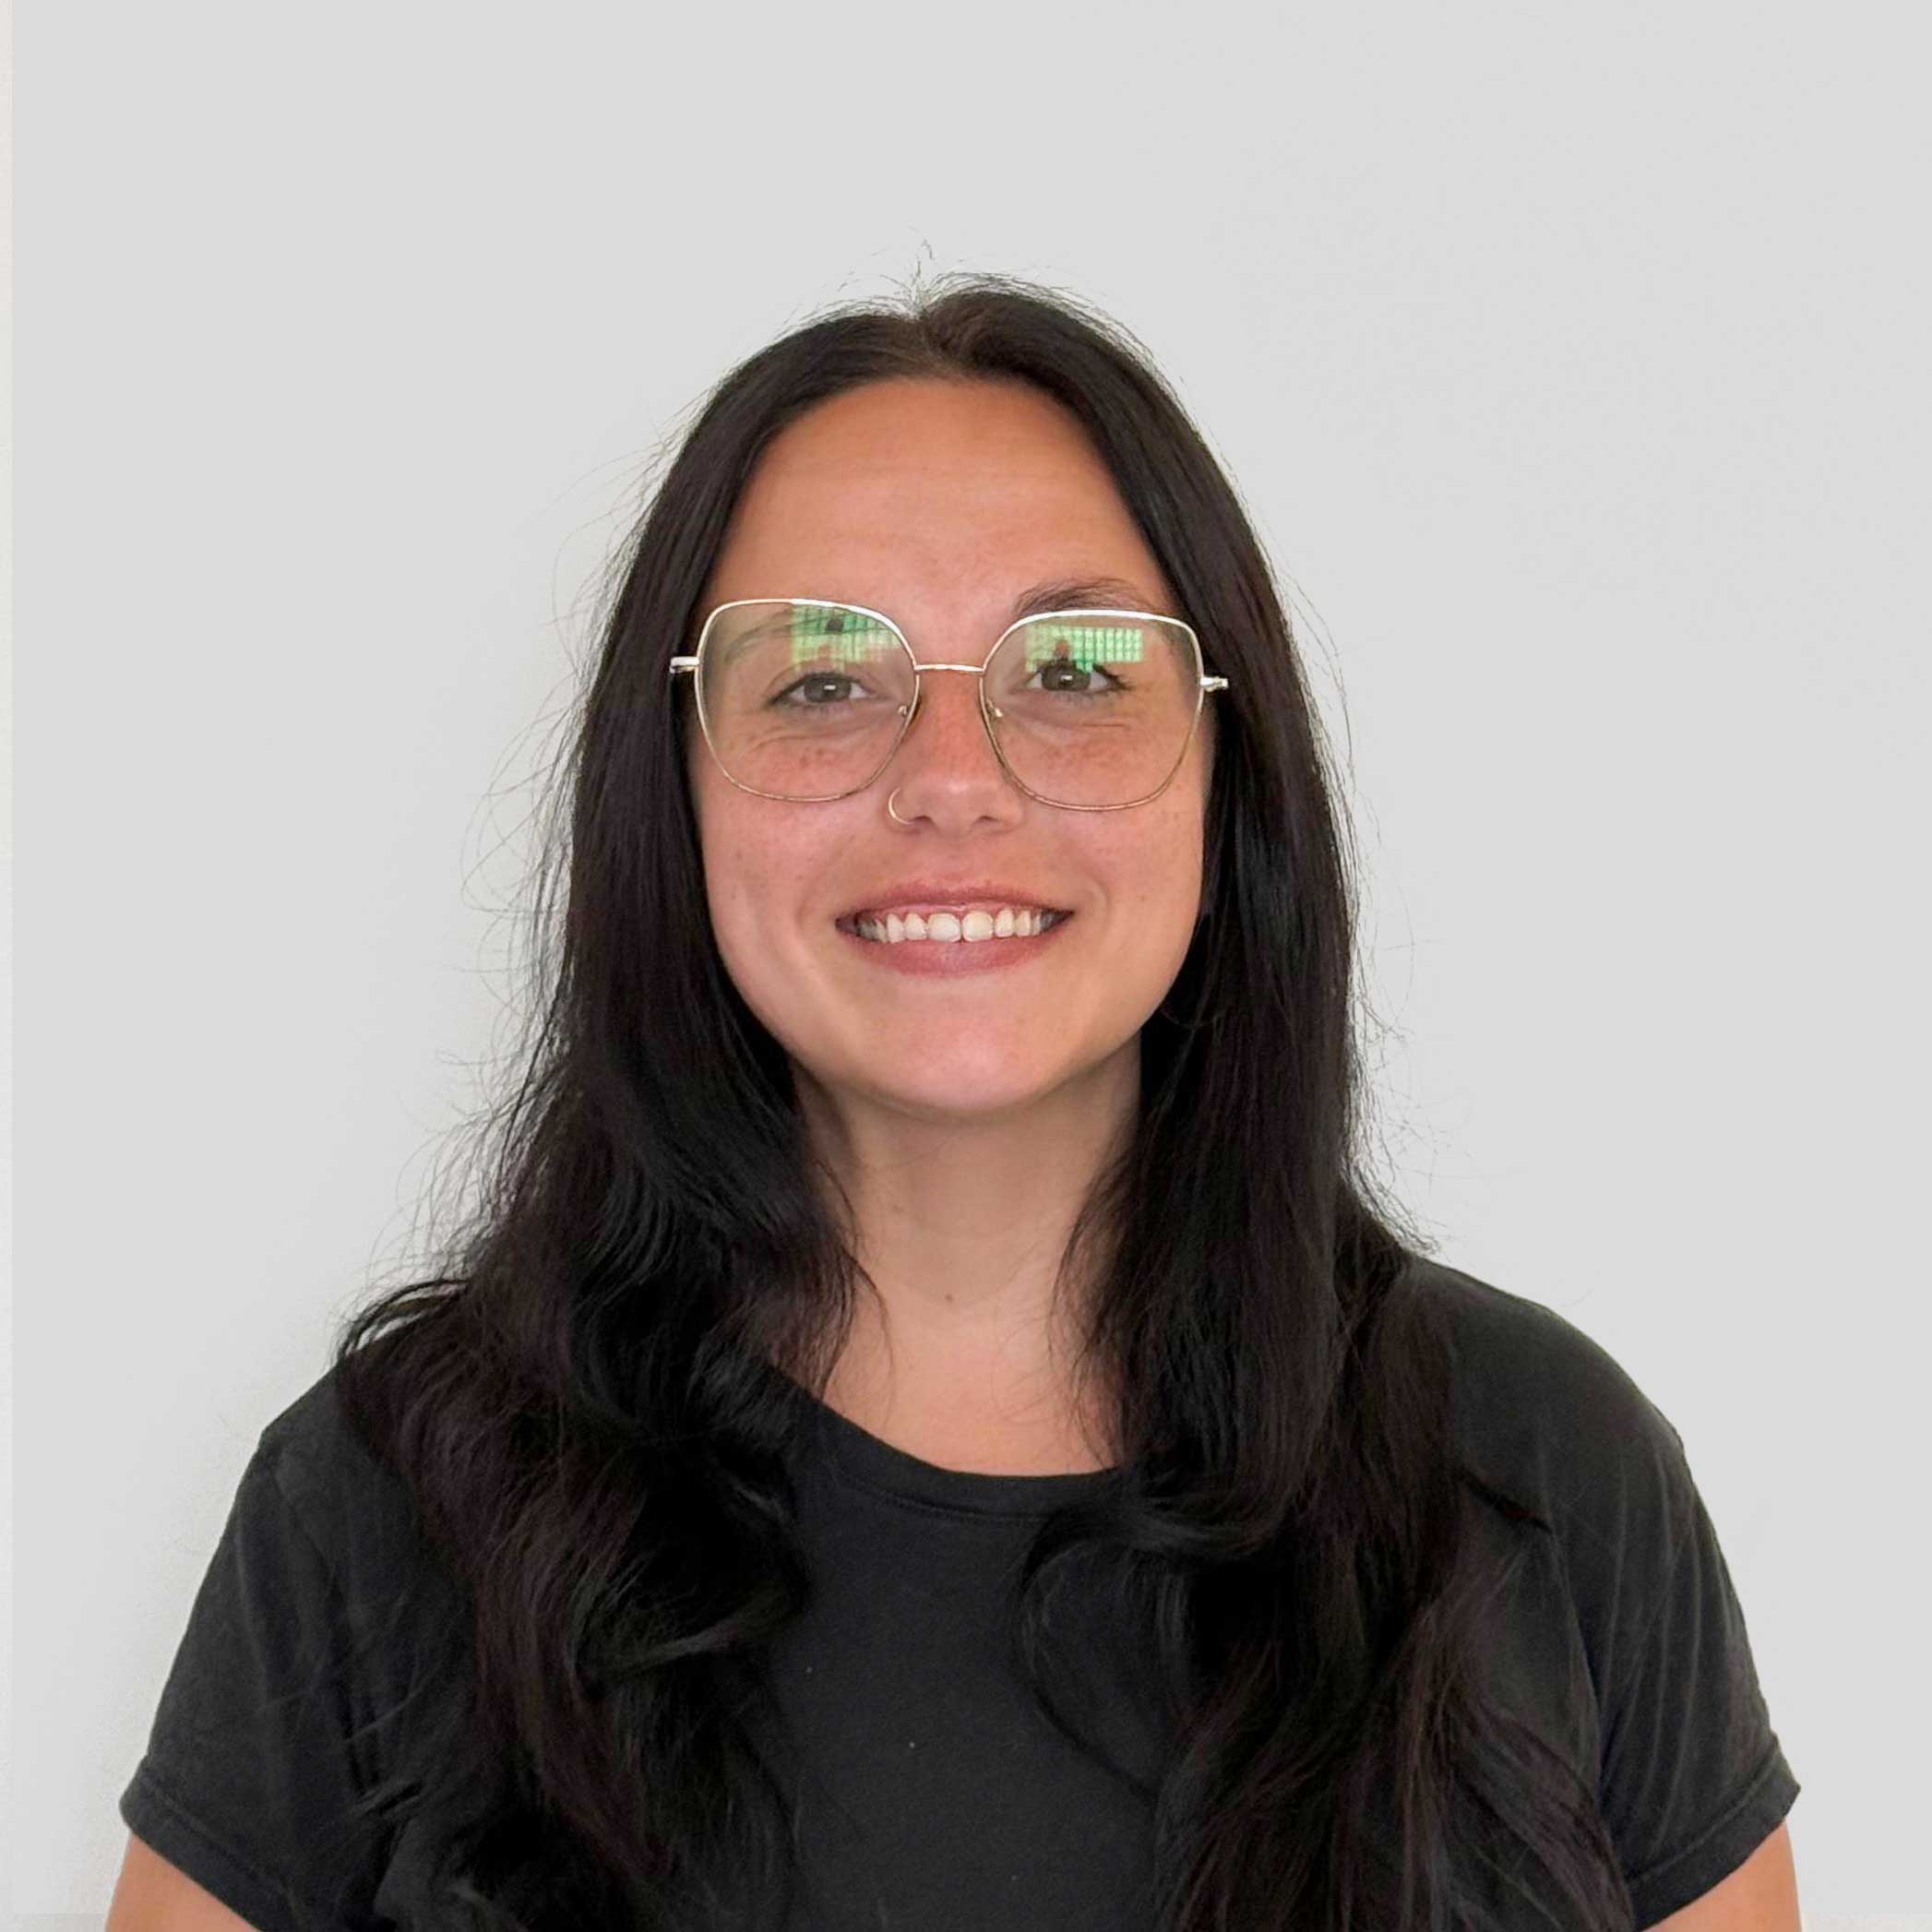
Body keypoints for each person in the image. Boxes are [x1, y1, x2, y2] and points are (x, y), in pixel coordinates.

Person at [108, 275, 1800, 1931]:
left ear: (1227, 769)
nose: (948, 781)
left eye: (1073, 670)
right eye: (820, 678)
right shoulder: (394, 1499)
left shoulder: (1535, 1470)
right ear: (669, 783)